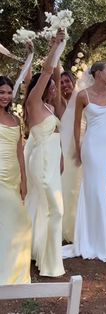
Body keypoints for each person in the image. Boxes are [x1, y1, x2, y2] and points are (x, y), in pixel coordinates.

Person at [63, 61, 106, 262]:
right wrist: (78, 150)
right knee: (93, 189)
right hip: (91, 146)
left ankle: (103, 238)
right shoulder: (82, 96)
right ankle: (91, 239)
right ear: (98, 73)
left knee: (102, 189)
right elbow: (77, 126)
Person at [24, 30, 65, 276]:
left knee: (41, 207)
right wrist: (56, 45)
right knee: (54, 209)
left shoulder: (49, 106)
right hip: (40, 163)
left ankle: (32, 250)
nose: (52, 89)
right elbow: (49, 71)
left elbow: (56, 74)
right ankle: (50, 263)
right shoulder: (33, 104)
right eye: (48, 86)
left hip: (51, 163)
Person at [0, 76, 31, 284]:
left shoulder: (15, 120)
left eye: (9, 92)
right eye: (1, 92)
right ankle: (9, 274)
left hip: (13, 177)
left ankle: (12, 270)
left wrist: (24, 180)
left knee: (8, 223)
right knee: (21, 223)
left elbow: (20, 152)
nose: (5, 96)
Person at [53, 67, 84, 243]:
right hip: (64, 152)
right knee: (65, 188)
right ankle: (64, 228)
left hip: (79, 152)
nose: (65, 85)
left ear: (74, 82)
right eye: (62, 82)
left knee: (78, 189)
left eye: (67, 81)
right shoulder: (59, 103)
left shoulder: (82, 100)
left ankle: (78, 228)